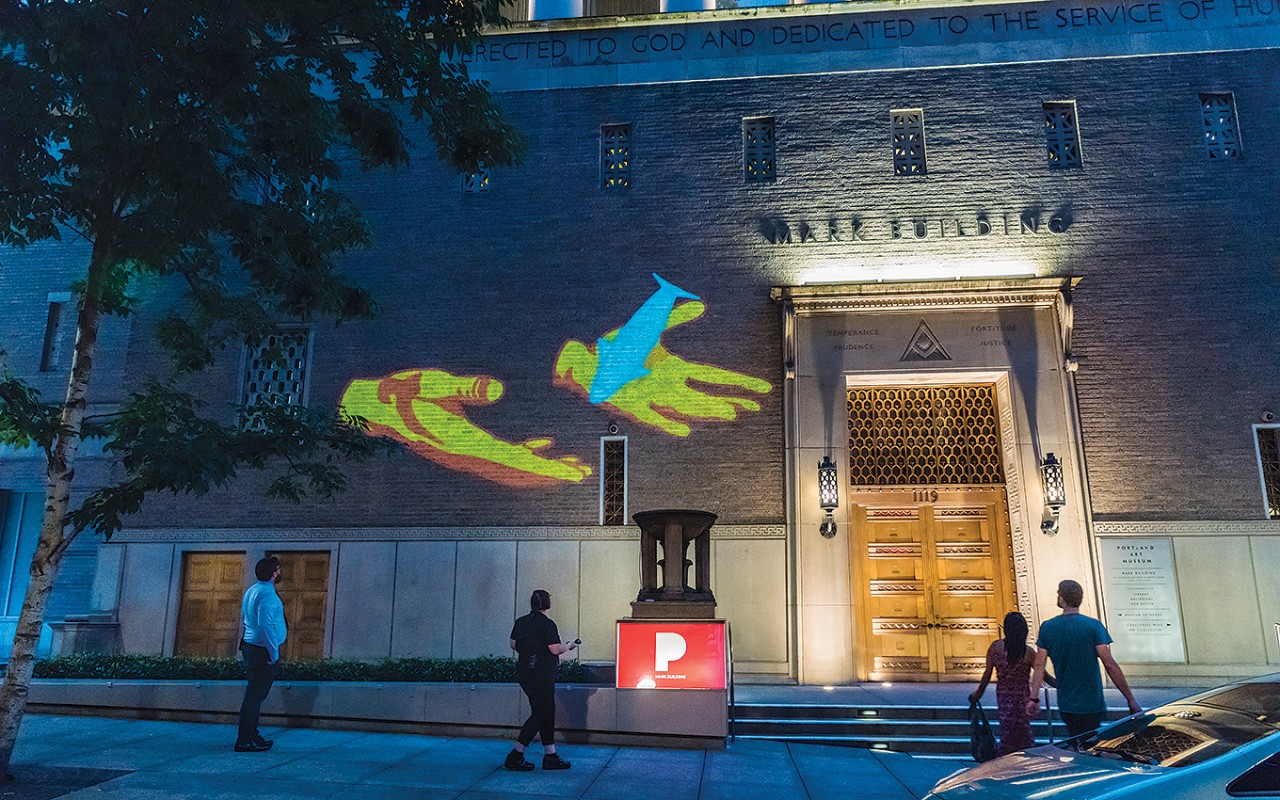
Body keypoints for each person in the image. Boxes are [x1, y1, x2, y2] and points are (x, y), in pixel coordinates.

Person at [1026, 579, 1141, 739]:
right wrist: (1130, 699)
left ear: (1062, 598)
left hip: (1066, 703)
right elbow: (1109, 664)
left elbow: (1039, 665)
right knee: (1089, 743)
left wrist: (1034, 697)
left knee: (1076, 741)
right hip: (1092, 701)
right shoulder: (1093, 626)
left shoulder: (1048, 627)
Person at [505, 589, 579, 771]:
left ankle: (550, 755)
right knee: (542, 712)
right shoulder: (547, 624)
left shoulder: (521, 622)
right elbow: (554, 649)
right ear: (548, 604)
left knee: (546, 710)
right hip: (542, 674)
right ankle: (516, 754)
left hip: (525, 673)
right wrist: (569, 646)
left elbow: (513, 644)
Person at [969, 611, 1056, 755]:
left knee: (1007, 730)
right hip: (1022, 697)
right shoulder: (1027, 652)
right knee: (1023, 730)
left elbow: (987, 674)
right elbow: (1044, 675)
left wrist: (978, 694)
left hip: (1003, 697)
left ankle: (1007, 758)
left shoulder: (995, 648)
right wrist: (1062, 685)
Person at [236, 555, 287, 752]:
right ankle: (245, 739)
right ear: (274, 573)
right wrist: (273, 653)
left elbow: (245, 618)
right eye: (279, 569)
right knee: (254, 696)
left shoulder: (252, 590)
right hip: (261, 651)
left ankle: (251, 735)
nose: (280, 572)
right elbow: (265, 625)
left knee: (254, 695)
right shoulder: (267, 595)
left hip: (252, 646)